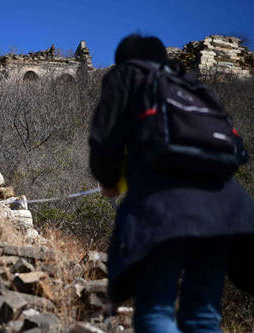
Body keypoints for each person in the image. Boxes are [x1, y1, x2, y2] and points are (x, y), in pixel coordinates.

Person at [89, 34, 254, 333]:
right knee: (204, 314)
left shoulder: (127, 75)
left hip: (164, 204)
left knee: (156, 310)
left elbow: (105, 137)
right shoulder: (194, 86)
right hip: (226, 208)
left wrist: (108, 180)